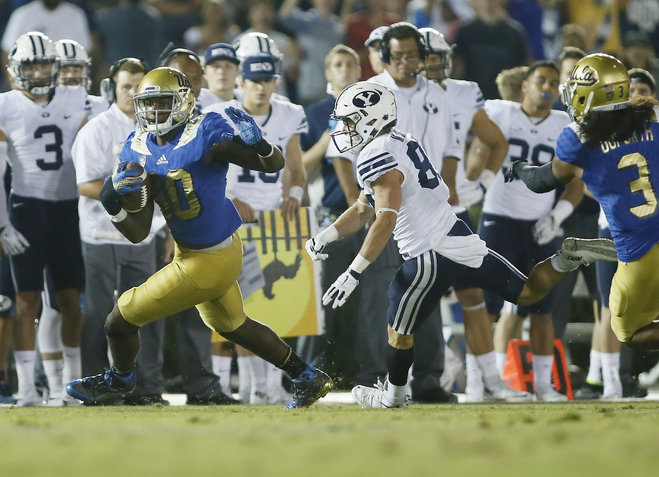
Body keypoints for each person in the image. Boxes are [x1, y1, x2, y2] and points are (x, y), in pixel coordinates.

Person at [307, 81, 617, 408]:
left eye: (350, 120)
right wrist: (326, 236)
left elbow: (385, 218)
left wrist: (353, 272)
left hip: (426, 251)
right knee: (528, 292)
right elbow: (362, 208)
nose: (344, 128)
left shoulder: (376, 153)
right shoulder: (400, 140)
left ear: (371, 118)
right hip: (459, 236)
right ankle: (565, 259)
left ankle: (393, 397)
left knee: (397, 333)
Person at [66, 67, 331, 409]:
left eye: (163, 103)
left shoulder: (204, 130)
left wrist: (261, 144)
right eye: (148, 104)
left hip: (208, 258)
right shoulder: (136, 147)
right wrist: (112, 204)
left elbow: (271, 165)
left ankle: (119, 379)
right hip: (197, 253)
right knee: (233, 325)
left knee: (120, 318)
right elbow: (138, 232)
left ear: (183, 103)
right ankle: (306, 376)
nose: (154, 112)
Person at [507, 53, 659, 350]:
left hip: (639, 251)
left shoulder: (579, 138)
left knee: (631, 335)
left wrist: (519, 169)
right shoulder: (651, 116)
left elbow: (544, 180)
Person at [418, 27, 529, 403]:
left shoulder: (464, 92)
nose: (433, 63)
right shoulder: (400, 94)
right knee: (414, 297)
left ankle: (487, 382)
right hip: (412, 213)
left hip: (455, 209)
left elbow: (496, 140)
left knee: (473, 296)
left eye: (437, 56)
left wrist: (481, 183)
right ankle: (413, 374)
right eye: (427, 56)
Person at [470, 61, 582, 401]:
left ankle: (544, 386)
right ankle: (478, 383)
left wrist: (556, 217)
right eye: (540, 80)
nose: (546, 87)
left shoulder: (565, 123)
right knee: (485, 307)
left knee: (543, 309)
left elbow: (576, 181)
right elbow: (474, 147)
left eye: (552, 81)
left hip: (539, 227)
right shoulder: (499, 112)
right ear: (525, 86)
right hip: (498, 220)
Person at [204, 53, 307, 404]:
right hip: (233, 220)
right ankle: (251, 385)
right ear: (241, 82)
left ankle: (270, 384)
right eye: (254, 80)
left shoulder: (289, 113)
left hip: (277, 220)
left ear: (275, 82)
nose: (261, 87)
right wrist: (230, 196)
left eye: (267, 80)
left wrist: (294, 193)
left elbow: (295, 163)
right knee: (241, 308)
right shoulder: (219, 114)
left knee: (281, 307)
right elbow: (206, 166)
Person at [369, 22, 463, 403]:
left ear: (424, 57)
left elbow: (451, 149)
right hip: (389, 209)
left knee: (429, 293)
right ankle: (386, 379)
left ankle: (427, 380)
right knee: (388, 296)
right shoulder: (370, 94)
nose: (406, 61)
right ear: (385, 57)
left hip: (431, 212)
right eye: (398, 55)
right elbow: (343, 155)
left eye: (412, 54)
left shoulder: (438, 94)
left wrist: (450, 195)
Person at [0, 31, 88, 406]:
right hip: (26, 208)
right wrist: (3, 223)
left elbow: (119, 111)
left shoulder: (79, 98)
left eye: (43, 64)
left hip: (69, 210)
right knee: (27, 300)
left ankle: (69, 385)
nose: (37, 72)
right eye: (30, 65)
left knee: (70, 301)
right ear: (14, 71)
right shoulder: (6, 105)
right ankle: (29, 390)